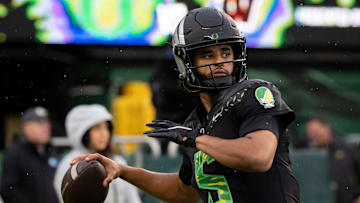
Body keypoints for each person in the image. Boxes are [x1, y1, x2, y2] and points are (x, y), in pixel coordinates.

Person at [70, 7, 299, 203]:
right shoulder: (194, 124)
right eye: (208, 55)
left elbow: (257, 157)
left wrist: (195, 139)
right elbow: (183, 192)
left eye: (226, 52)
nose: (220, 61)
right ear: (186, 63)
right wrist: (123, 170)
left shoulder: (254, 94)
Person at [53, 104, 141, 203]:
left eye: (106, 127)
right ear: (84, 132)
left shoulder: (118, 161)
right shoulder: (71, 163)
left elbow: (133, 199)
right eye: (97, 128)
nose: (103, 133)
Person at [0, 106, 60, 203]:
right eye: (40, 123)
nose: (46, 126)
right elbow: (7, 190)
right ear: (26, 127)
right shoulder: (14, 154)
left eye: (47, 122)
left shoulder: (52, 152)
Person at [300, 113, 360, 203]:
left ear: (327, 128)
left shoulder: (347, 149)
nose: (314, 135)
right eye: (311, 132)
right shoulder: (306, 155)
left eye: (316, 131)